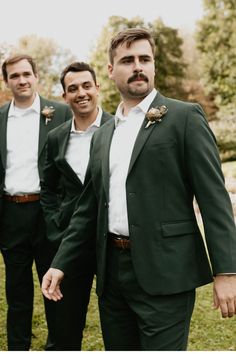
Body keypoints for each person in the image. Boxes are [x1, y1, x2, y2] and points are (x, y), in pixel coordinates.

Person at [42, 28, 236, 351]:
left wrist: (227, 271)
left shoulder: (184, 118)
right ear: (110, 70)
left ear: (154, 66)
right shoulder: (103, 135)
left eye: (145, 59)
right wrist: (61, 262)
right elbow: (88, 208)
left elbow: (214, 199)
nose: (138, 67)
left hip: (166, 273)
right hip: (112, 277)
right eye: (128, 60)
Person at [0, 54, 72, 350]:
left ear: (36, 76)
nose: (22, 80)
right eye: (14, 76)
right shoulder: (0, 117)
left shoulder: (60, 112)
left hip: (48, 214)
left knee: (53, 287)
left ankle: (57, 346)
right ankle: (18, 347)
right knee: (16, 292)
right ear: (6, 82)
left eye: (27, 74)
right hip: (11, 213)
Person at [40, 61, 112, 350]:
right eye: (73, 89)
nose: (81, 93)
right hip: (70, 242)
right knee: (65, 327)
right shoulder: (56, 137)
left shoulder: (117, 127)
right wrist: (56, 225)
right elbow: (48, 187)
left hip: (112, 241)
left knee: (118, 323)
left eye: (86, 86)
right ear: (64, 96)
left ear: (97, 88)